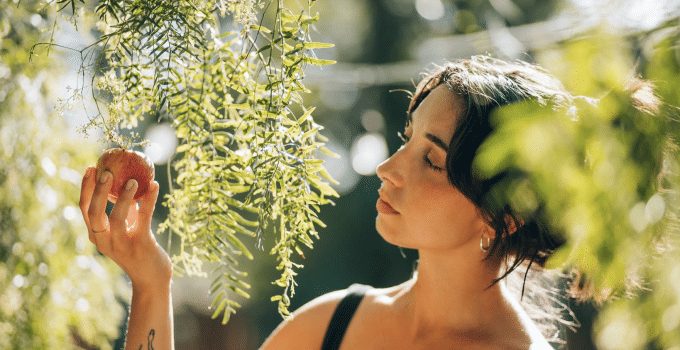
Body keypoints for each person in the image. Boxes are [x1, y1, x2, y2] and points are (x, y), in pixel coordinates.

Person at [80, 56, 583, 349]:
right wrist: (150, 281)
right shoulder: (331, 325)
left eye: (430, 161)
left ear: (503, 214)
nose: (389, 168)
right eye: (407, 140)